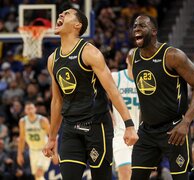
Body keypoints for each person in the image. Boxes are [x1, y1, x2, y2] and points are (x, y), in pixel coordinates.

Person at [42, 7, 138, 180]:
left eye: (68, 13)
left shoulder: (90, 52)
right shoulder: (52, 59)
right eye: (62, 13)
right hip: (71, 128)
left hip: (96, 126)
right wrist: (51, 137)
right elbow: (57, 101)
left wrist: (129, 125)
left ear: (77, 25)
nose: (61, 14)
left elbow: (112, 90)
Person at [130, 14, 194, 180]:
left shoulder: (172, 56)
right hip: (146, 132)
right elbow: (147, 96)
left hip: (173, 130)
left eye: (142, 25)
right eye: (135, 25)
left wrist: (186, 122)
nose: (136, 28)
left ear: (154, 31)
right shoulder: (133, 57)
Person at [112, 49, 140, 180]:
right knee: (125, 174)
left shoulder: (148, 81)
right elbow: (98, 98)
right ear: (127, 60)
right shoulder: (116, 77)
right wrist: (110, 117)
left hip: (143, 135)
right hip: (121, 134)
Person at [17, 102, 52, 180]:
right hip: (32, 150)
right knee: (37, 177)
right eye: (28, 108)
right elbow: (22, 139)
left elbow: (52, 136)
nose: (30, 110)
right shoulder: (22, 122)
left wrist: (55, 152)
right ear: (25, 111)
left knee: (39, 173)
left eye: (31, 108)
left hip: (44, 150)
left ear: (35, 109)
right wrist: (19, 154)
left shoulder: (42, 120)